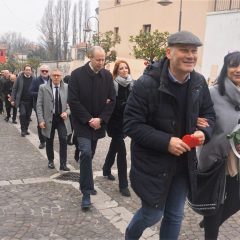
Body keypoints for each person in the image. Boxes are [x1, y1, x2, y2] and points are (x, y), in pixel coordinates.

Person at [123, 31, 216, 240]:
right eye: (184, 50)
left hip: (184, 164)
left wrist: (204, 132)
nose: (190, 55)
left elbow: (209, 114)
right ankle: (130, 235)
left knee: (174, 216)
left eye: (194, 51)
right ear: (168, 52)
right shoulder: (146, 84)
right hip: (153, 164)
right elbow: (131, 124)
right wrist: (166, 142)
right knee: (152, 213)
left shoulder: (199, 83)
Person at [197, 51, 240, 240]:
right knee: (216, 204)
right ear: (226, 69)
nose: (238, 70)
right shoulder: (213, 93)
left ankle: (208, 222)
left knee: (235, 201)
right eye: (233, 65)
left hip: (238, 158)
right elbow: (198, 115)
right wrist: (196, 121)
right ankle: (210, 230)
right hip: (218, 156)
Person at [68, 46, 116, 211]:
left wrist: (101, 119)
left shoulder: (107, 76)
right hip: (82, 123)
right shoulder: (76, 75)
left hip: (98, 124)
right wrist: (89, 119)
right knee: (86, 153)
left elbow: (112, 100)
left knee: (90, 153)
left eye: (103, 59)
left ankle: (78, 150)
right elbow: (73, 101)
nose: (101, 63)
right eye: (98, 59)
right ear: (90, 57)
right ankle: (86, 192)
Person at [102, 60, 134, 197]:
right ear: (117, 71)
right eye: (121, 68)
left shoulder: (133, 84)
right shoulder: (113, 85)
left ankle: (106, 169)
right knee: (122, 152)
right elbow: (111, 105)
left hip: (126, 122)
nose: (124, 70)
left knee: (114, 147)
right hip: (114, 123)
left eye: (126, 68)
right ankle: (123, 185)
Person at [36, 69, 71, 171]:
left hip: (62, 119)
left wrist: (67, 112)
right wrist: (41, 120)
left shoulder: (67, 87)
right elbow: (39, 105)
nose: (56, 77)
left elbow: (72, 104)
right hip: (48, 119)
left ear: (61, 77)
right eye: (54, 75)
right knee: (49, 140)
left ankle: (63, 164)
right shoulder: (43, 88)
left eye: (58, 75)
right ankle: (50, 161)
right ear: (50, 76)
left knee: (63, 139)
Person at [30, 64, 51, 149]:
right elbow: (31, 92)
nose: (45, 72)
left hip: (50, 106)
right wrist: (41, 94)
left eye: (46, 71)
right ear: (40, 71)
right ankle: (42, 141)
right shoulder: (35, 80)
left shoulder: (52, 79)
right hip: (39, 105)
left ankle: (48, 138)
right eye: (43, 71)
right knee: (40, 123)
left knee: (49, 122)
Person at [11, 65, 34, 137]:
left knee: (28, 116)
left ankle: (26, 129)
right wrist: (13, 99)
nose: (28, 71)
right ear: (24, 70)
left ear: (31, 71)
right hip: (21, 101)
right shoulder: (19, 78)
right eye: (26, 70)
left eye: (29, 70)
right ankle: (23, 130)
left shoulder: (34, 79)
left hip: (30, 101)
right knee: (22, 114)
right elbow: (14, 89)